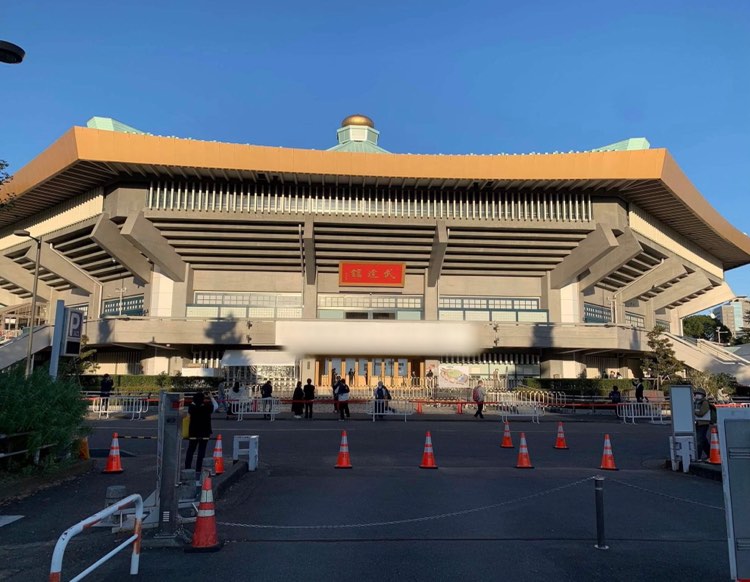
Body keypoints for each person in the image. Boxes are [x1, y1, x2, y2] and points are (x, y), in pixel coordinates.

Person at [185, 391, 218, 476]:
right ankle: (198, 469)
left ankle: (187, 467)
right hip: (205, 431)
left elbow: (193, 404)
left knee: (191, 450)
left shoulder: (191, 408)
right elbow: (216, 406)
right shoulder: (207, 407)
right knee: (201, 451)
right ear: (203, 400)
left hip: (193, 431)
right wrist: (211, 397)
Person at [693, 388, 711, 461]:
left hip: (703, 423)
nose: (697, 395)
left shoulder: (705, 403)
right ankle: (710, 454)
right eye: (696, 394)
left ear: (703, 395)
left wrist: (693, 411)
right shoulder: (695, 402)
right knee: (703, 440)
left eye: (699, 394)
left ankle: (698, 457)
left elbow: (701, 413)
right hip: (697, 423)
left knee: (699, 440)